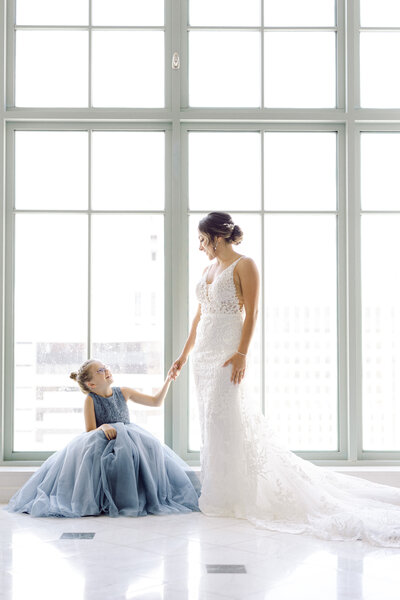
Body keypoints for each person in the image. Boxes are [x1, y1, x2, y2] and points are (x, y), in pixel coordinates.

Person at [169, 211, 400, 547]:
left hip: (227, 353)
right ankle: (220, 495)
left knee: (226, 419)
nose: (200, 246)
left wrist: (242, 354)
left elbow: (253, 310)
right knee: (210, 422)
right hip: (202, 357)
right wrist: (183, 355)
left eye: (203, 240)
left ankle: (240, 495)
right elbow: (199, 316)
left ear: (217, 237)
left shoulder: (244, 265)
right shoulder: (207, 269)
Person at [7, 359, 200, 518]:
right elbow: (90, 430)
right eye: (100, 370)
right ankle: (104, 500)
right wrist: (104, 426)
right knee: (103, 453)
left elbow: (156, 401)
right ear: (91, 384)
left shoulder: (123, 392)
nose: (106, 370)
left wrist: (168, 379)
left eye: (106, 367)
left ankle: (143, 495)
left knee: (149, 447)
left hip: (128, 436)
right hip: (103, 439)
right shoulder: (91, 399)